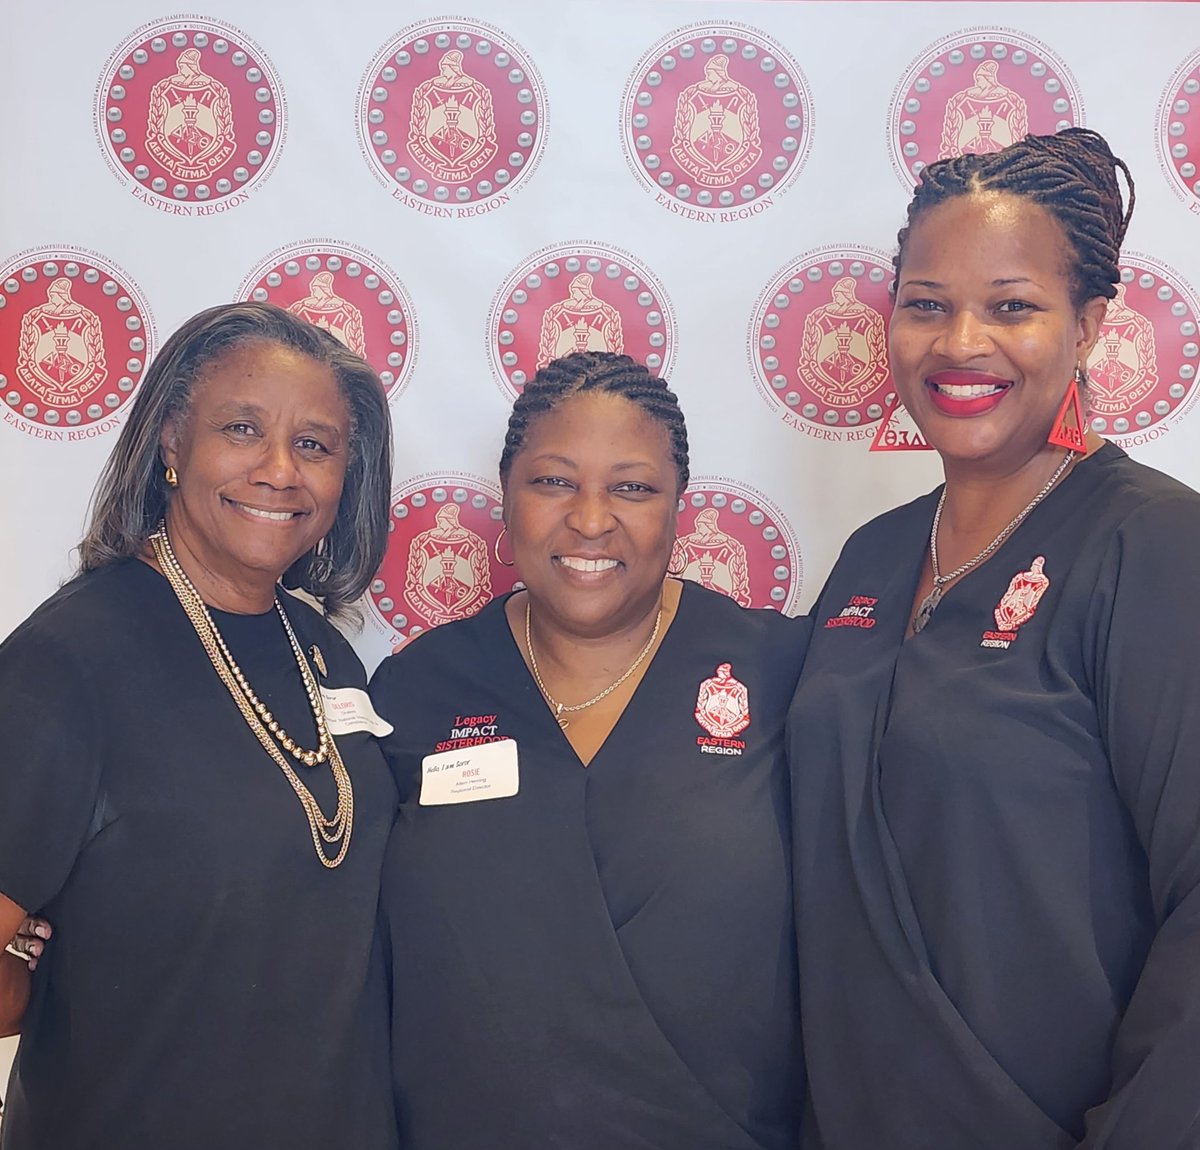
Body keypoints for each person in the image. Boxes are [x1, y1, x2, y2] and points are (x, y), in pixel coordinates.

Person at [789, 128, 1200, 1148]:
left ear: (1089, 327)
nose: (960, 341)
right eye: (926, 305)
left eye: (1012, 306)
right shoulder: (873, 558)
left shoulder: (1153, 546)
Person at [371, 351, 809, 1149]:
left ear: (679, 506)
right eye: (553, 481)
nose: (591, 519)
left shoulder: (784, 674)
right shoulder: (416, 690)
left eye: (633, 488)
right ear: (505, 495)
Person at [0, 302, 398, 1149]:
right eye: (242, 429)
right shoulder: (69, 662)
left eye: (315, 444)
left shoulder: (324, 651)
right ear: (172, 442)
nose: (280, 470)